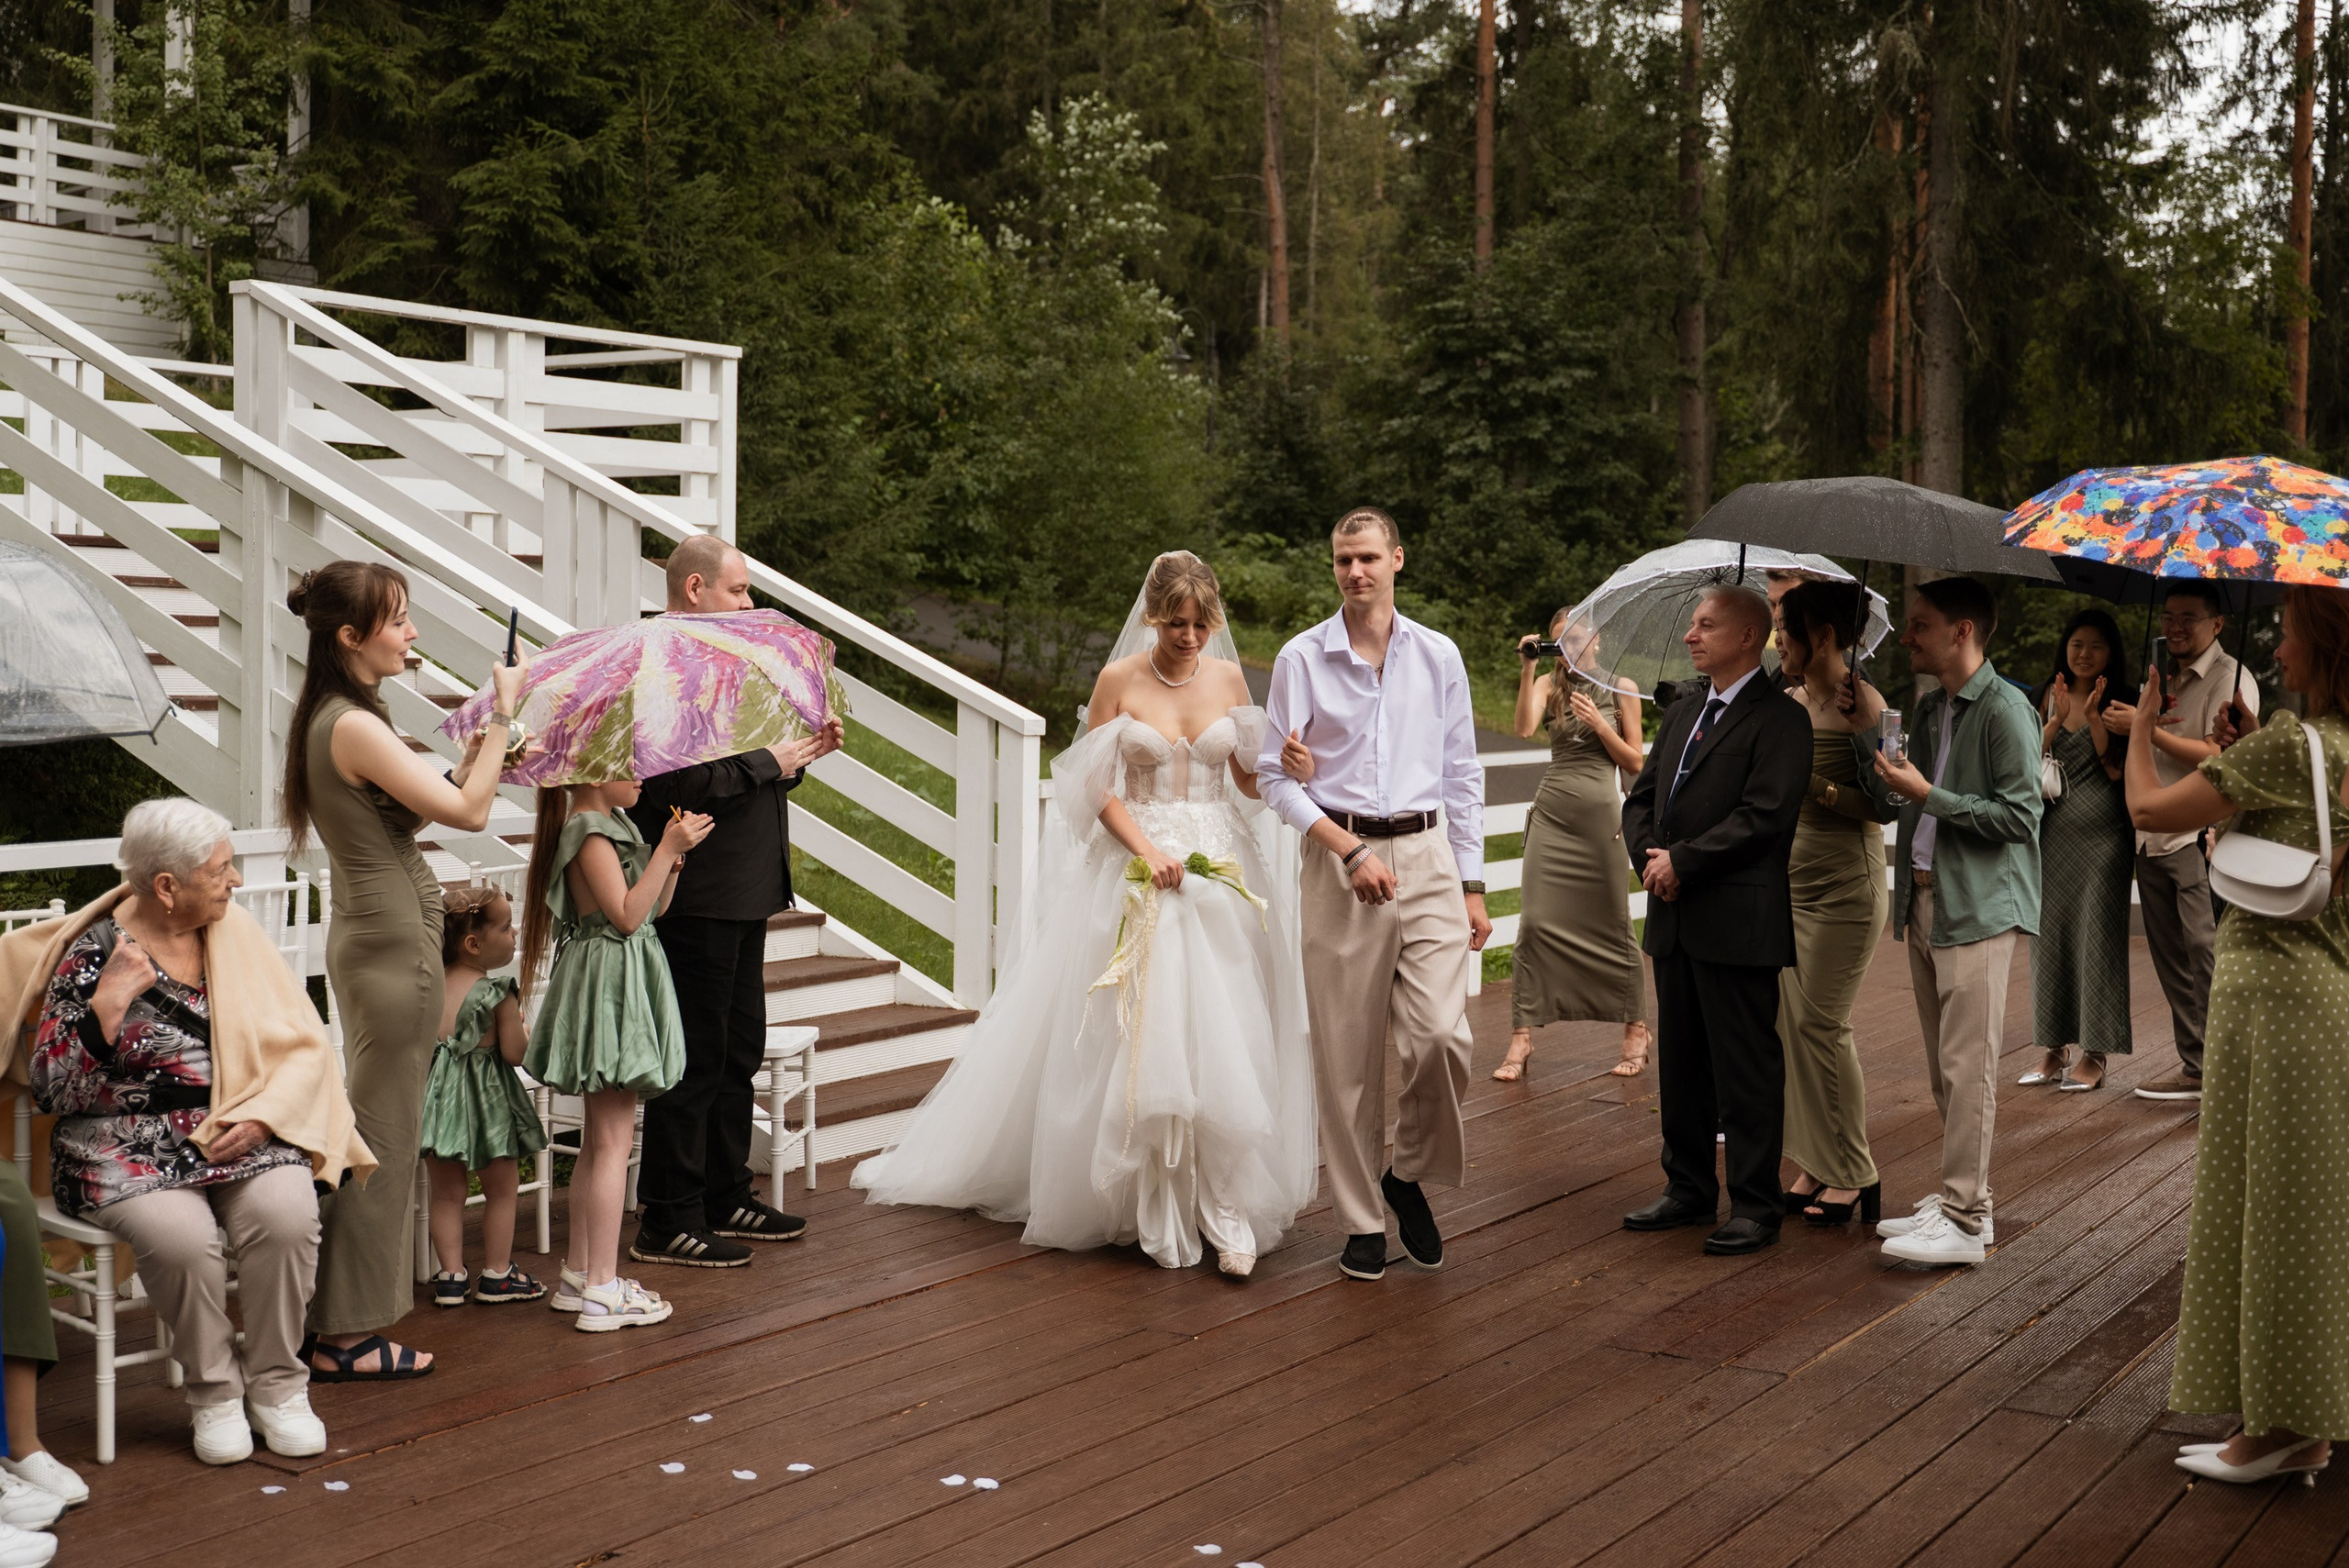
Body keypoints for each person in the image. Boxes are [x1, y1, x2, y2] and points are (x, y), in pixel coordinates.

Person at [855, 552, 1318, 1275]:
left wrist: (1288, 768)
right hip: (1140, 868)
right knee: (1139, 1032)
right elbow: (1089, 786)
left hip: (1220, 870)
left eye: (1200, 625)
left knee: (1224, 1033)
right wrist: (1146, 849)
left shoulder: (1229, 678)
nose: (1189, 637)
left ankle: (1224, 1207)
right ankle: (1136, 1198)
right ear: (1153, 616)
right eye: (1176, 624)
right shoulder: (1119, 679)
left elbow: (1246, 785)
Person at [20, 798, 373, 1464]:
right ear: (166, 886)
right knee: (184, 1239)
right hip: (118, 1140)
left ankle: (277, 1387)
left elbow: (300, 1042)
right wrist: (105, 1008)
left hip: (239, 1120)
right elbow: (51, 1088)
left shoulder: (232, 930)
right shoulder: (93, 954)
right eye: (222, 868)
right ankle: (214, 1392)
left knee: (289, 1212)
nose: (236, 879)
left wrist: (267, 1114)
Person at [2126, 586, 2349, 1485]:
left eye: (2290, 635)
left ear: (2324, 650)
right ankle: (2300, 1418)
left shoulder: (2291, 744)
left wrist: (2141, 726)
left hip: (2271, 1007)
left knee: (2272, 1216)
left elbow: (2148, 810)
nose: (2280, 652)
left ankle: (2279, 1429)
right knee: (2306, 1214)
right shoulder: (2330, 750)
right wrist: (2236, 759)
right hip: (2324, 995)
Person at [283, 560, 526, 1382]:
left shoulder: (335, 716)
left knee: (377, 1127)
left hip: (374, 935)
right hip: (392, 947)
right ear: (351, 637)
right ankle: (347, 1334)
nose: (412, 632)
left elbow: (423, 801)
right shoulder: (349, 723)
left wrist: (477, 755)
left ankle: (340, 1322)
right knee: (385, 1135)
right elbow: (469, 813)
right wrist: (502, 715)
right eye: (398, 620)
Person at [1257, 511, 1488, 1283]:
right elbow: (1272, 778)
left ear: (1398, 558)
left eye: (1368, 558)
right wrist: (1346, 847)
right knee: (1346, 1057)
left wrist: (1473, 881)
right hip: (1338, 856)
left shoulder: (1439, 655)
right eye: (1343, 560)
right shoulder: (1301, 658)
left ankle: (1407, 1171)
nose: (1356, 571)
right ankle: (1361, 1222)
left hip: (1425, 855)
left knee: (1442, 1038)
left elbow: (1462, 772)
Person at [626, 534, 842, 1269]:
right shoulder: (662, 666)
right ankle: (668, 1214)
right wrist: (766, 761)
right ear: (694, 589)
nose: (749, 604)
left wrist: (799, 754)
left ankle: (723, 1192)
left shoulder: (728, 663)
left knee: (737, 1049)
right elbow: (673, 786)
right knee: (694, 1056)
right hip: (697, 890)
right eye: (738, 590)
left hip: (747, 887)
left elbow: (751, 775)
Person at [1618, 586, 1810, 1257]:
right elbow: (1641, 796)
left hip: (1737, 917)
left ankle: (1757, 1203)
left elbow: (1764, 816)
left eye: (1707, 625)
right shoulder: (1684, 710)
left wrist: (1686, 862)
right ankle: (1689, 1186)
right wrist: (1651, 857)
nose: (1693, 635)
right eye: (1693, 624)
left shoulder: (1780, 720)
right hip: (1674, 913)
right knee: (1684, 1061)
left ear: (1749, 635)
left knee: (1746, 1066)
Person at [1873, 577, 2042, 1267]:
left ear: (1962, 631)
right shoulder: (1936, 706)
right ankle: (1967, 1200)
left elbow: (2022, 816)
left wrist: (1929, 794)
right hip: (1926, 899)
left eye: (1919, 625)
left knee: (1970, 1067)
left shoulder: (2006, 709)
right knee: (1947, 1070)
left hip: (1978, 903)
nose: (1908, 637)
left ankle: (1965, 1219)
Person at [521, 780, 710, 1329]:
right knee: (611, 1143)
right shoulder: (588, 829)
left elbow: (651, 910)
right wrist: (668, 849)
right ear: (591, 767)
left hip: (620, 976)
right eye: (626, 760)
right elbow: (625, 917)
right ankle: (604, 1290)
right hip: (610, 987)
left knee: (598, 1144)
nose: (640, 773)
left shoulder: (617, 825)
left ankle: (580, 1273)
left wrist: (669, 868)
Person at [2103, 584, 2259, 1103]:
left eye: (2188, 617)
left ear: (2218, 624)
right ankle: (2196, 1067)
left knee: (2207, 954)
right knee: (2171, 959)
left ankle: (2231, 1074)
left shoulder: (2232, 678)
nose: (2174, 626)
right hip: (2150, 838)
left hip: (2196, 836)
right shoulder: (2162, 676)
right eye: (2169, 616)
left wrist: (2146, 727)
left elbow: (2222, 756)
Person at [1774, 581, 1898, 1225]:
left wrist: (1820, 784)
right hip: (1791, 888)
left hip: (1847, 887)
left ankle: (1855, 1171)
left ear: (1822, 635)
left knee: (1823, 1024)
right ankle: (1817, 1161)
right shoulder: (1788, 698)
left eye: (1785, 628)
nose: (1777, 641)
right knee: (1791, 1028)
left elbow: (1888, 805)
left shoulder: (1868, 704)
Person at [1497, 610, 1648, 1082]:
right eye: (1560, 642)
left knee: (1613, 921)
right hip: (1553, 817)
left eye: (1577, 639)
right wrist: (1526, 669)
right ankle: (1522, 1036)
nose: (1568, 649)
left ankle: (1636, 1029)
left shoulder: (1621, 686)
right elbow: (1523, 728)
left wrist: (1601, 727)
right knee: (1536, 922)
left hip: (1601, 819)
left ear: (1597, 640)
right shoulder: (1548, 683)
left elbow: (1636, 763)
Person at [418, 886, 548, 1307]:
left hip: (439, 1104)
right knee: (502, 1189)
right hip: (488, 1102)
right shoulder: (498, 992)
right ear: (474, 944)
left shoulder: (428, 987)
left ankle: (451, 1276)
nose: (515, 934)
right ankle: (497, 1274)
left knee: (447, 1194)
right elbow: (514, 1054)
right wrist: (523, 1028)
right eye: (507, 927)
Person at [2024, 609, 2134, 1092]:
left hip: (2104, 839)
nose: (2084, 654)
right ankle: (2053, 1048)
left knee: (2098, 941)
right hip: (2051, 836)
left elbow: (2115, 773)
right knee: (2049, 939)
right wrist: (2049, 727)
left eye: (2095, 646)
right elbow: (2023, 764)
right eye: (2076, 644)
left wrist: (2092, 717)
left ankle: (2096, 1053)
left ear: (2111, 654)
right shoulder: (2045, 694)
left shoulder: (2120, 701)